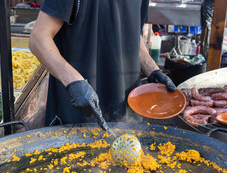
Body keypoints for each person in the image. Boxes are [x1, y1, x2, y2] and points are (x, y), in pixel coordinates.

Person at [29, 0, 176, 131]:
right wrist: (73, 81)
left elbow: (130, 33)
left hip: (126, 119)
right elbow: (38, 38)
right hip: (75, 118)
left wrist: (152, 69)